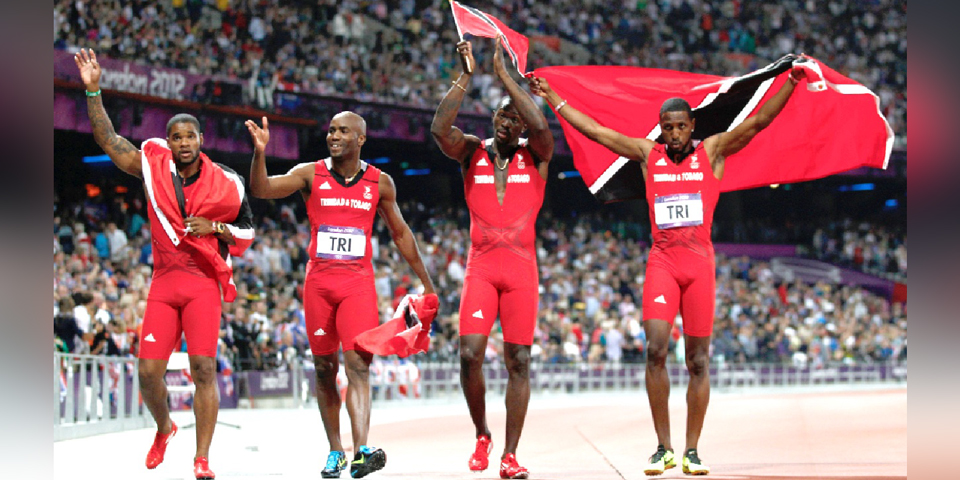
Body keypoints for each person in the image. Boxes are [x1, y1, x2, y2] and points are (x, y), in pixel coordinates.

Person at [530, 61, 809, 476]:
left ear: (691, 125)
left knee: (698, 361)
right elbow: (594, 132)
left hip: (700, 265)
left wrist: (791, 82)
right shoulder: (647, 154)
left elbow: (757, 123)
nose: (674, 133)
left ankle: (692, 450)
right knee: (655, 348)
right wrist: (553, 99)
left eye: (680, 126)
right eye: (667, 127)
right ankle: (663, 447)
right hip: (662, 261)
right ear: (660, 127)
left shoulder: (711, 151)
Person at [74, 48, 256, 480]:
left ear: (200, 140)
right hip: (164, 282)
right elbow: (110, 142)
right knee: (147, 372)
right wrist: (94, 90)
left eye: (191, 136)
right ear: (169, 143)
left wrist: (215, 227)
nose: (185, 143)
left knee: (204, 369)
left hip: (201, 285)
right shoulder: (153, 170)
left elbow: (248, 230)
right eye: (177, 137)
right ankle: (164, 427)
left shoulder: (227, 181)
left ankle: (202, 459)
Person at [246, 111, 436, 479]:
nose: (334, 135)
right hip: (319, 284)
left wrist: (426, 282)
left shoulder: (380, 183)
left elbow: (401, 234)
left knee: (358, 366)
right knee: (323, 368)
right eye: (331, 130)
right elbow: (262, 189)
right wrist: (259, 152)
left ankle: (361, 449)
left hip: (357, 284)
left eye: (343, 131)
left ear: (360, 139)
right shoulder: (308, 173)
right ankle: (335, 450)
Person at [430, 39, 554, 480]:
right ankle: (482, 433)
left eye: (516, 118)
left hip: (521, 271)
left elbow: (541, 125)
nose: (511, 122)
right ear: (493, 118)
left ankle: (510, 454)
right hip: (482, 267)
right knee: (469, 355)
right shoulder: (472, 152)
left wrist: (506, 77)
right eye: (504, 114)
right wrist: (466, 78)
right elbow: (439, 131)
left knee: (518, 362)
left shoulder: (536, 155)